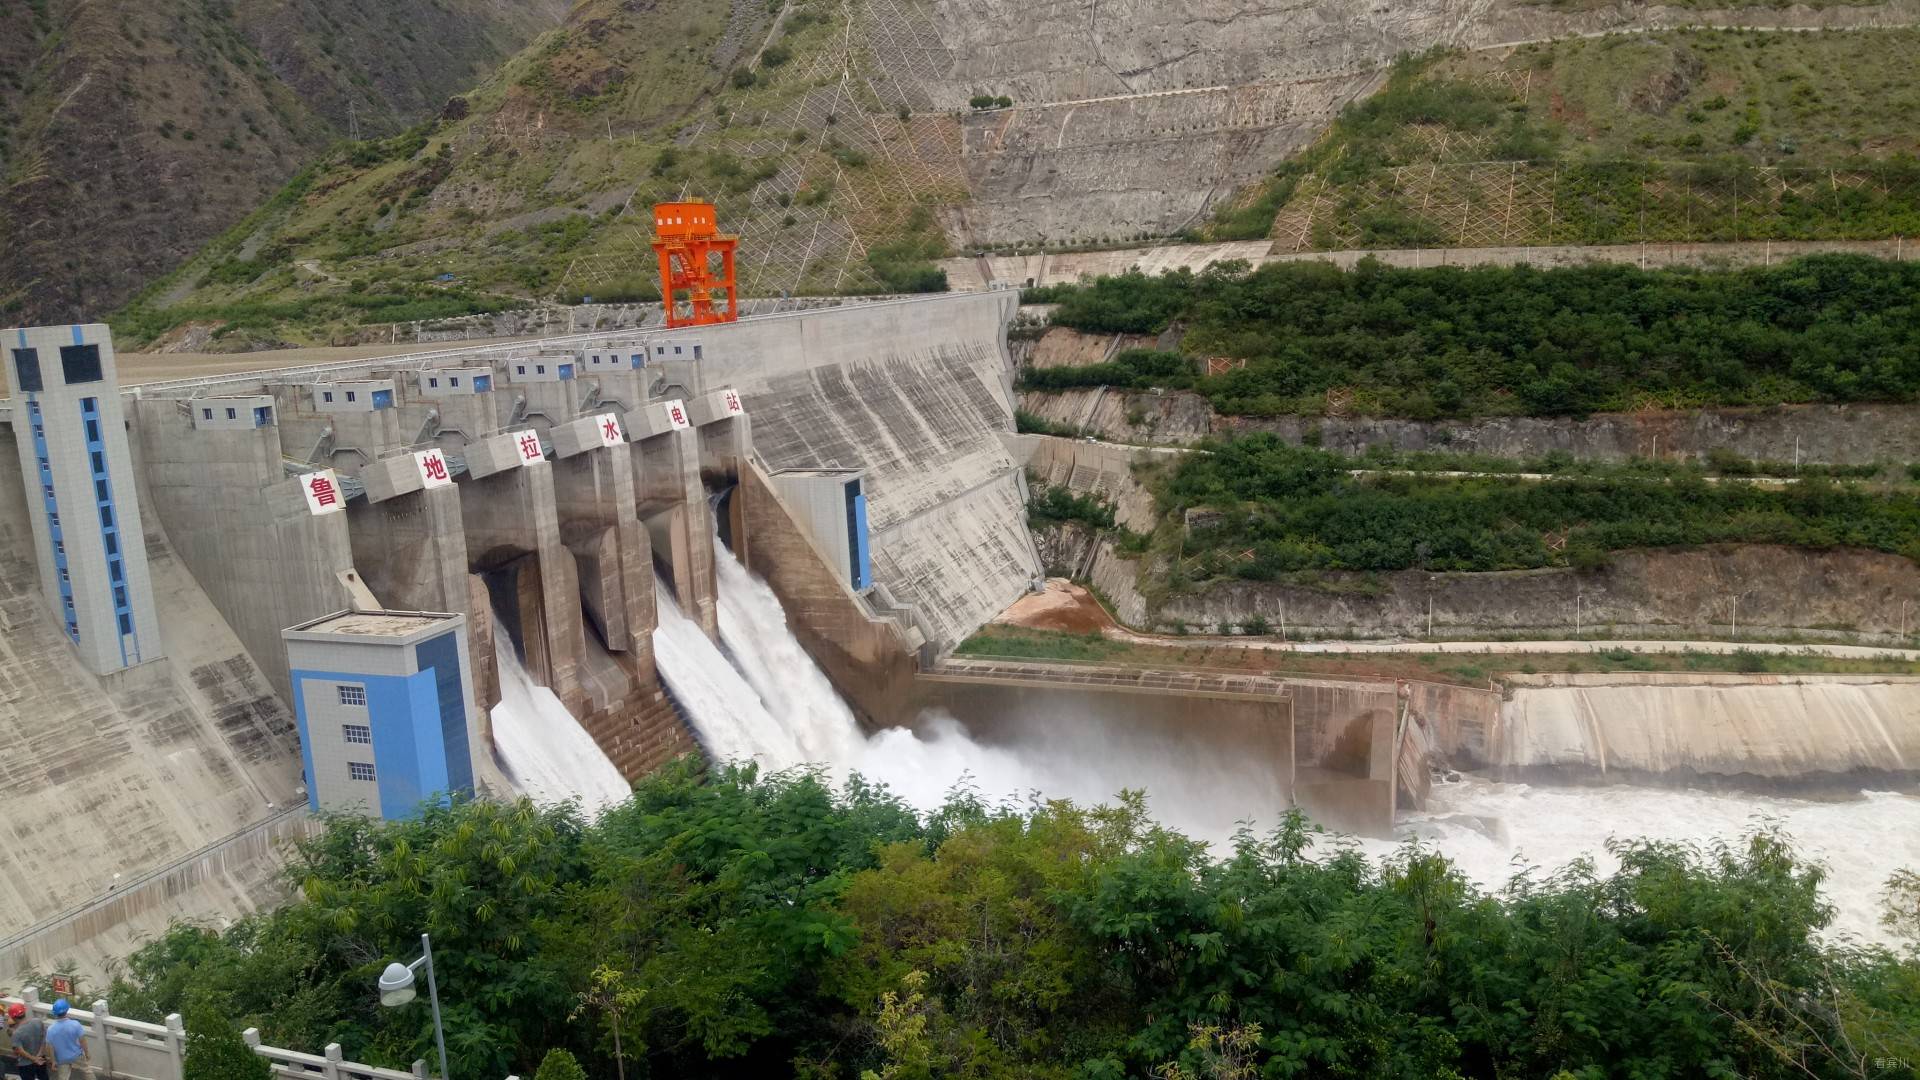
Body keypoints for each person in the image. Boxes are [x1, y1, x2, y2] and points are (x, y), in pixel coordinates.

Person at [6, 1003, 47, 1080]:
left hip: (26, 1063)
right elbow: (44, 1038)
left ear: (13, 1017)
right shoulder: (38, 1021)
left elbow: (19, 1051)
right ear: (24, 1012)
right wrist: (39, 1054)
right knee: (43, 1077)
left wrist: (34, 1059)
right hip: (40, 1057)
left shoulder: (16, 1033)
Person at [41, 1003, 81, 1080]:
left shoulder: (51, 1029)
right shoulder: (75, 1024)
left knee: (63, 1077)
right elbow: (82, 1040)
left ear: (55, 1013)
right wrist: (86, 1052)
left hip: (61, 1058)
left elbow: (50, 1047)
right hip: (77, 1055)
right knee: (87, 1072)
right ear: (66, 1011)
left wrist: (53, 1061)